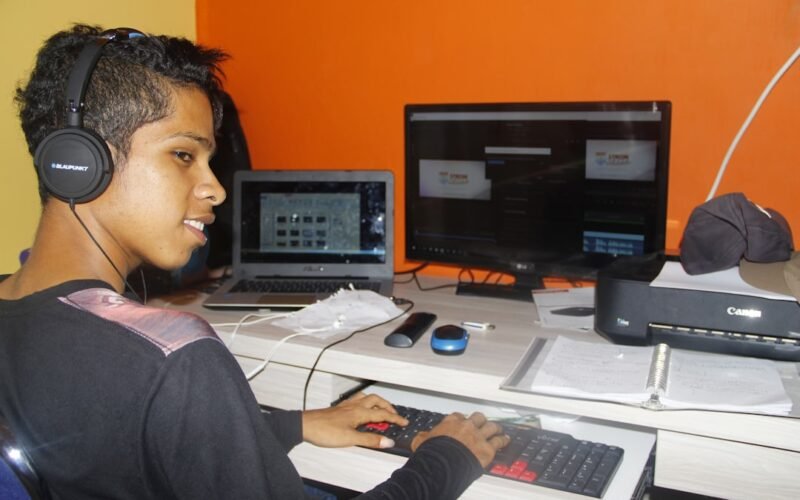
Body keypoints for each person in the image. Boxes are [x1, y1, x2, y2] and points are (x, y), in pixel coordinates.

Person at [0, 24, 509, 499]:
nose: (216, 189)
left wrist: (290, 425)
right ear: (79, 162)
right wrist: (447, 458)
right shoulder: (175, 354)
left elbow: (109, 435)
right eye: (183, 155)